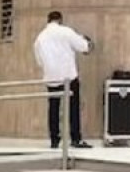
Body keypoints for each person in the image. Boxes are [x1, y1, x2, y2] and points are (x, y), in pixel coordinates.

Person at [33, 11, 93, 149]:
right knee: (73, 107)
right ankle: (75, 139)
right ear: (60, 20)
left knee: (53, 108)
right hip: (68, 76)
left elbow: (39, 61)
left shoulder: (40, 38)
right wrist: (87, 43)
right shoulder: (66, 31)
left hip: (51, 77)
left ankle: (54, 140)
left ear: (48, 21)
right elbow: (83, 46)